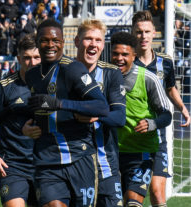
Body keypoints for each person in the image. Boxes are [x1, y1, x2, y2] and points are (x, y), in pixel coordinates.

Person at [23, 19, 109, 207]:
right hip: (47, 159)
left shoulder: (73, 69)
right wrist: (25, 128)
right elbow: (28, 110)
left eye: (56, 40)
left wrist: (59, 103)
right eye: (44, 40)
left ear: (63, 42)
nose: (50, 45)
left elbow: (101, 107)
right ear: (37, 43)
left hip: (80, 155)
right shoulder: (31, 75)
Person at [0, 33, 41, 207]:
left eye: (36, 57)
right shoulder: (5, 87)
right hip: (13, 165)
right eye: (26, 58)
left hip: (45, 164)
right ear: (18, 58)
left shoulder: (51, 85)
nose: (32, 63)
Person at [132, 10, 190, 207]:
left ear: (154, 33)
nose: (143, 36)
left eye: (147, 32)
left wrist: (182, 107)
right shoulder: (126, 62)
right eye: (139, 32)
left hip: (158, 136)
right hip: (133, 136)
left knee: (157, 193)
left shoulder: (165, 62)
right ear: (133, 33)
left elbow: (170, 88)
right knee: (132, 197)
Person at [110, 32, 172, 207]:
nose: (119, 58)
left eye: (125, 54)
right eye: (116, 54)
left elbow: (166, 114)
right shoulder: (103, 77)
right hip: (111, 153)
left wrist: (152, 124)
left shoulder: (148, 78)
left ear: (134, 56)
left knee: (133, 203)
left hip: (140, 153)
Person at [74, 19, 126, 207]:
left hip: (106, 165)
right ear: (77, 42)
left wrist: (95, 115)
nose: (93, 44)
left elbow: (120, 117)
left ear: (103, 45)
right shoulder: (64, 72)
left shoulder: (111, 74)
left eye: (98, 40)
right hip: (73, 165)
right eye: (88, 39)